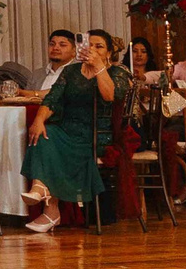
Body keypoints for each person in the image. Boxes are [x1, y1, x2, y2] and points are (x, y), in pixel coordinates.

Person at [20, 28, 123, 233]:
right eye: (89, 45)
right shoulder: (71, 71)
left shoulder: (117, 73)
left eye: (99, 47)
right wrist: (38, 120)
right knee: (43, 133)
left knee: (57, 145)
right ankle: (39, 188)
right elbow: (52, 99)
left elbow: (110, 96)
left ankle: (51, 210)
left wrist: (99, 67)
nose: (92, 50)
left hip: (96, 134)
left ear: (109, 52)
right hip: (67, 128)